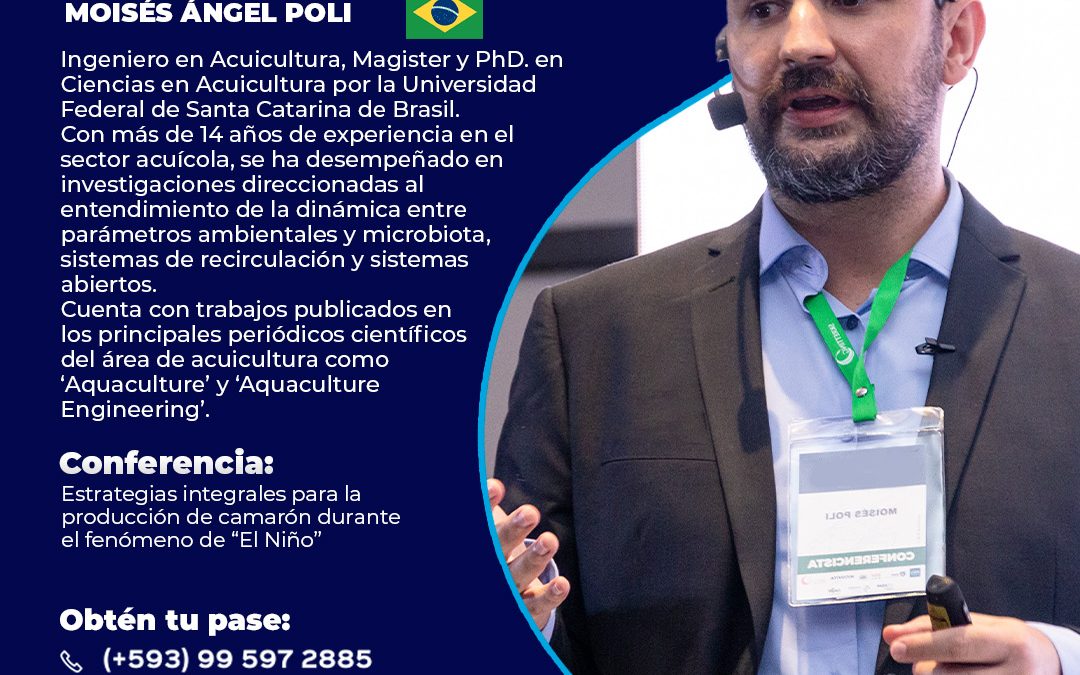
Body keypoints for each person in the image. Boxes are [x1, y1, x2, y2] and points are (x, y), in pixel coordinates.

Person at [490, 0, 1080, 673]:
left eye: (848, 1)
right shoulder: (594, 334)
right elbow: (542, 617)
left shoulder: (1071, 320)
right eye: (763, 10)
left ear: (956, 38)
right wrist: (521, 621)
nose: (799, 42)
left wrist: (1060, 659)